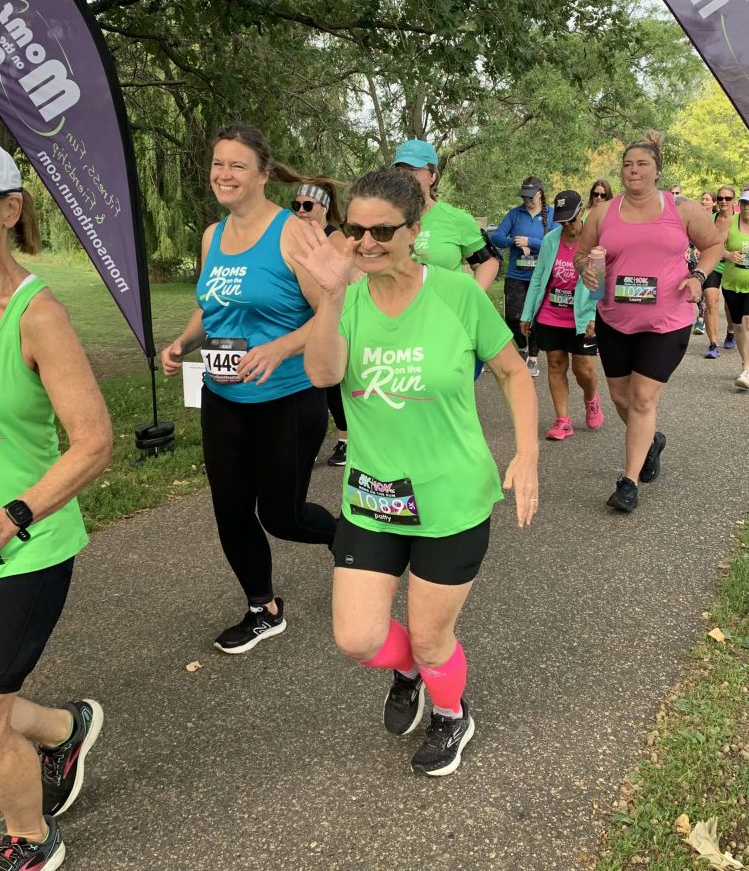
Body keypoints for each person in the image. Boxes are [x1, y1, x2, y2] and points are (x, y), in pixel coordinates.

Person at [288, 168, 539, 777]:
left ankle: (452, 712)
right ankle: (409, 673)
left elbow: (510, 371)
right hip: (374, 495)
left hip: (450, 497)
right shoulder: (347, 299)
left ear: (414, 230)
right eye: (356, 230)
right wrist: (330, 296)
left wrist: (527, 454)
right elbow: (323, 376)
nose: (367, 243)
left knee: (432, 639)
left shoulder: (456, 294)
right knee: (357, 638)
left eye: (382, 231)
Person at [0, 140, 111, 871]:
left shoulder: (38, 315)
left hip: (28, 541)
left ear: (8, 209)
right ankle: (64, 730)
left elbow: (93, 442)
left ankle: (32, 841)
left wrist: (10, 519)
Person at [161, 121, 336, 654]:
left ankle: (347, 538)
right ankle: (263, 608)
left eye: (238, 165)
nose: (225, 174)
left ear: (263, 174)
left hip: (288, 398)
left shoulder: (294, 234)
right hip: (224, 396)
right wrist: (184, 343)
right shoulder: (213, 236)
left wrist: (280, 347)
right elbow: (212, 307)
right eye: (218, 163)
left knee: (282, 517)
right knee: (231, 511)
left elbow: (334, 313)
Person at [575, 132, 722, 513]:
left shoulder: (683, 210)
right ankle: (651, 440)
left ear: (657, 171)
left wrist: (698, 277)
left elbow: (713, 246)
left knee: (642, 398)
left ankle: (628, 482)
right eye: (627, 164)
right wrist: (588, 272)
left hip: (668, 319)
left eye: (642, 164)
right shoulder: (604, 212)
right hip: (615, 319)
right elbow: (581, 255)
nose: (633, 170)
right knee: (623, 399)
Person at [520, 190, 604, 440]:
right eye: (562, 220)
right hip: (551, 313)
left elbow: (599, 285)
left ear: (581, 212)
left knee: (584, 369)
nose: (567, 224)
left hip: (582, 316)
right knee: (556, 364)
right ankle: (562, 421)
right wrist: (527, 313)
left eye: (571, 218)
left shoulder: (596, 242)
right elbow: (538, 277)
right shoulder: (550, 240)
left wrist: (593, 318)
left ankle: (591, 399)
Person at [292, 181, 350, 467]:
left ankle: (345, 440)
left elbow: (351, 275)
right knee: (311, 382)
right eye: (296, 205)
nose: (300, 211)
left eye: (307, 205)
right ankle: (308, 441)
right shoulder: (294, 236)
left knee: (333, 383)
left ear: (324, 208)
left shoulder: (334, 237)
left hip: (332, 317)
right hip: (304, 317)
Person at [391, 139, 501, 289]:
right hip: (398, 310)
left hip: (445, 310)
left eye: (413, 169)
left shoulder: (456, 219)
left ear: (432, 176)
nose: (405, 176)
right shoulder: (383, 220)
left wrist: (471, 299)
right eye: (399, 170)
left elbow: (486, 263)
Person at [491, 176, 555, 376]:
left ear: (540, 193)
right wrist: (515, 242)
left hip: (540, 275)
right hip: (516, 274)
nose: (527, 200)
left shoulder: (551, 214)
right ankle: (523, 347)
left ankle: (533, 359)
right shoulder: (515, 214)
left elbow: (555, 241)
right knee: (512, 316)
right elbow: (497, 237)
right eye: (524, 196)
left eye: (531, 196)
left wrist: (531, 242)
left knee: (535, 317)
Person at [721, 187, 749, 389]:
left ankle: (748, 369)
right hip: (732, 282)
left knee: (747, 322)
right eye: (744, 203)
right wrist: (729, 255)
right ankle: (745, 365)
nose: (747, 208)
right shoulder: (731, 222)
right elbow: (715, 246)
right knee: (738, 326)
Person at [703, 186, 736, 359]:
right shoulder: (710, 219)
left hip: (733, 267)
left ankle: (731, 331)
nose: (724, 201)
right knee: (711, 300)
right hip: (713, 264)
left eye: (728, 198)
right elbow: (705, 242)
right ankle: (713, 343)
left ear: (734, 201)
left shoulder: (740, 220)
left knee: (730, 305)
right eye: (721, 198)